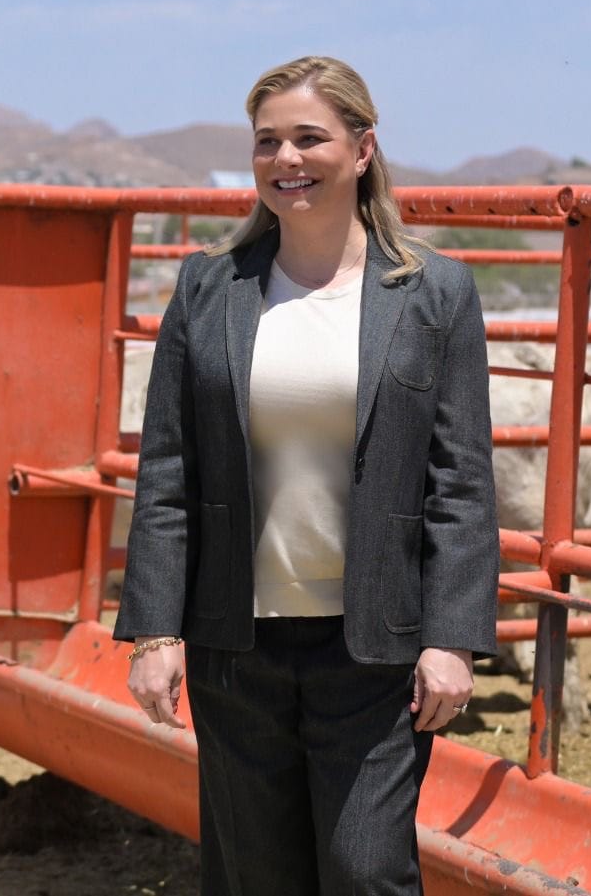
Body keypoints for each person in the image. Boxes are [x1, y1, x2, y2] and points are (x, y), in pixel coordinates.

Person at [114, 55, 499, 895]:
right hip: (235, 645)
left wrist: (452, 638)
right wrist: (154, 632)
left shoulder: (435, 293)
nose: (286, 158)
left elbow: (462, 482)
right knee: (254, 876)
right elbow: (168, 470)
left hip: (376, 648)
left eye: (308, 138)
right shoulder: (207, 288)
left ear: (362, 149)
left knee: (366, 870)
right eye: (267, 141)